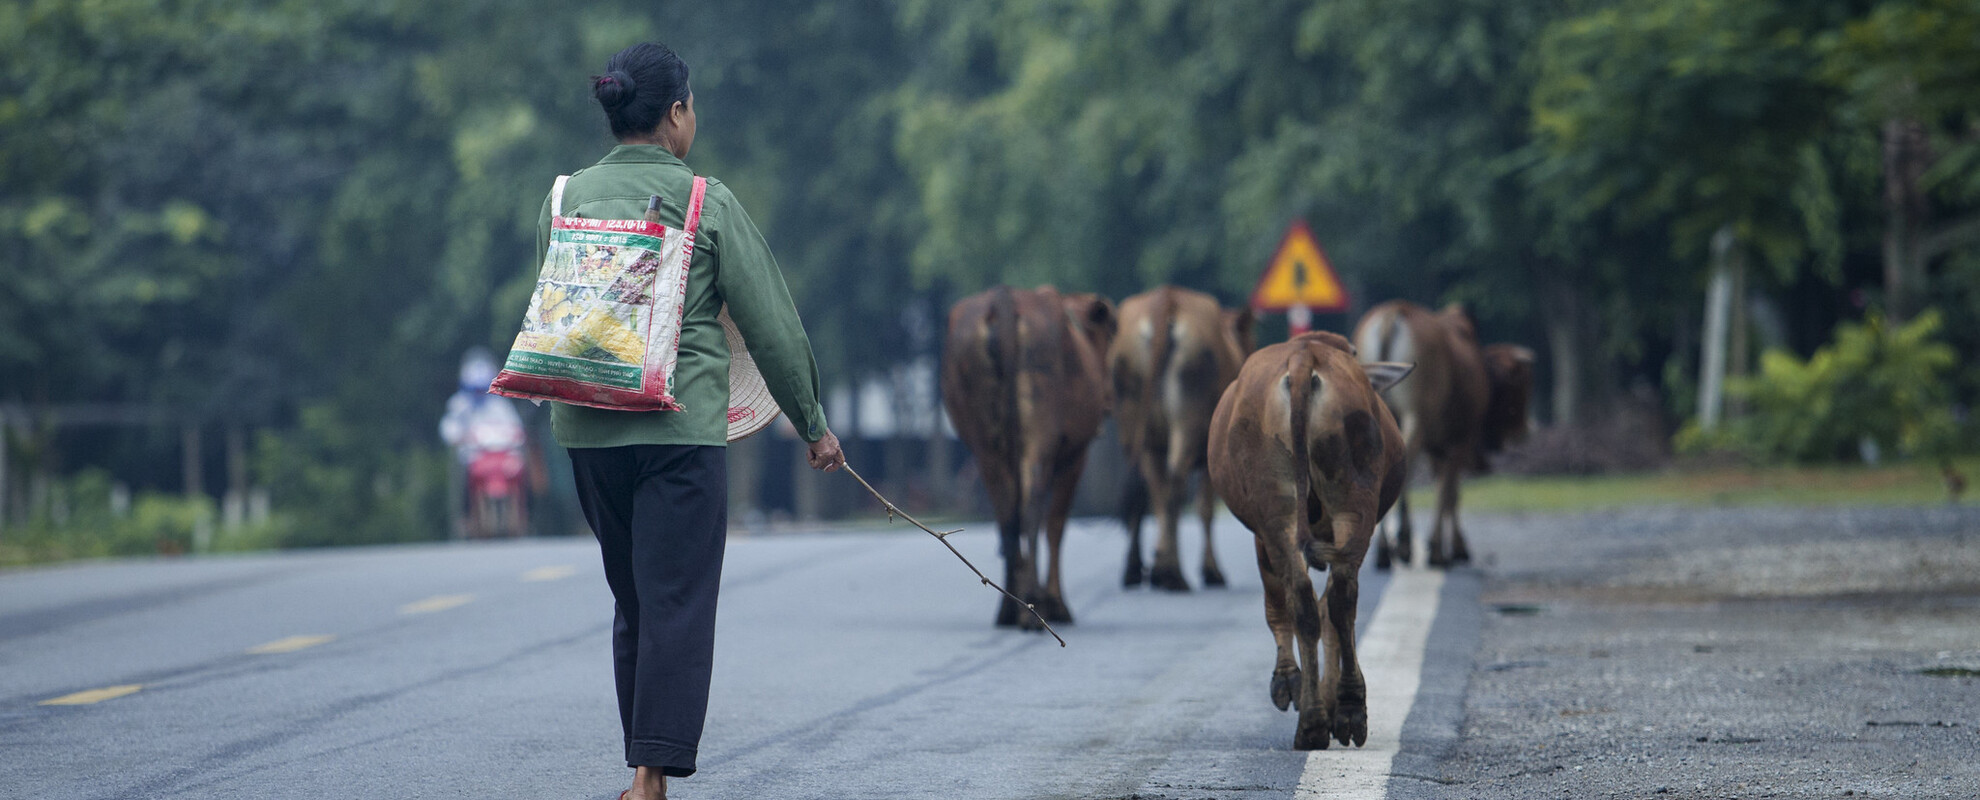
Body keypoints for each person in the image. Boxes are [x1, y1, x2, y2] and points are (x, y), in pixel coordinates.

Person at [539, 42, 845, 800]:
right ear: (677, 113)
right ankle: (649, 778)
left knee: (636, 599)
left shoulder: (565, 197)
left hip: (587, 432)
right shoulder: (707, 201)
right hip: (679, 436)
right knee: (676, 600)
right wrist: (811, 422)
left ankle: (645, 773)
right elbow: (772, 324)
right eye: (693, 106)